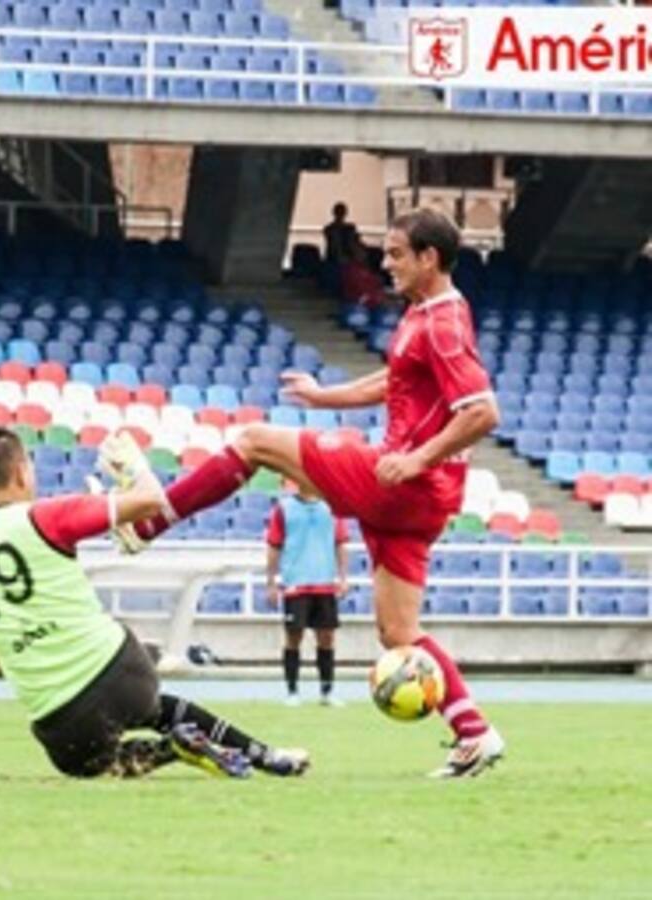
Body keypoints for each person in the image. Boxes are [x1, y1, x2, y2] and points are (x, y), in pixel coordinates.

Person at [103, 209, 505, 779]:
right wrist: (325, 397)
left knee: (254, 441)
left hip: (404, 483)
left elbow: (483, 411)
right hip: (418, 498)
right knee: (399, 635)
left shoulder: (443, 322)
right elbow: (397, 380)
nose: (384, 264)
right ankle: (475, 734)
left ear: (428, 258)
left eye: (394, 254)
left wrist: (414, 459)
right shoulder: (429, 314)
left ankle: (148, 522)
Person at [0, 426, 310, 781]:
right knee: (157, 706)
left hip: (60, 723)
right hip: (122, 675)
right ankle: (266, 755)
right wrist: (136, 469)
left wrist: (35, 670)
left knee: (92, 764)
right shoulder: (44, 515)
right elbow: (152, 502)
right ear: (22, 472)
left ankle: (172, 749)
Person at [265, 486, 349, 706]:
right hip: (296, 583)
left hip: (324, 583)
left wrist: (343, 577)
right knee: (294, 637)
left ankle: (327, 691)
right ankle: (292, 691)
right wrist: (271, 582)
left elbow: (340, 543)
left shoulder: (332, 506)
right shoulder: (284, 508)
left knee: (327, 638)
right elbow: (274, 546)